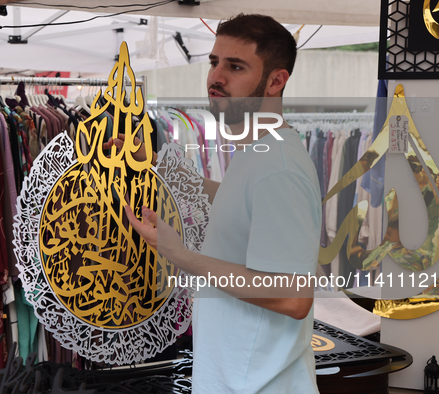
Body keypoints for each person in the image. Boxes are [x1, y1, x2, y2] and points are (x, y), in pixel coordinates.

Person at [108, 14, 321, 393]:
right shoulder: (261, 151)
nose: (215, 77)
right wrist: (157, 168)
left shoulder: (278, 166)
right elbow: (238, 202)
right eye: (213, 62)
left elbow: (293, 297)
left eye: (235, 66)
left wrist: (179, 254)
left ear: (276, 80)